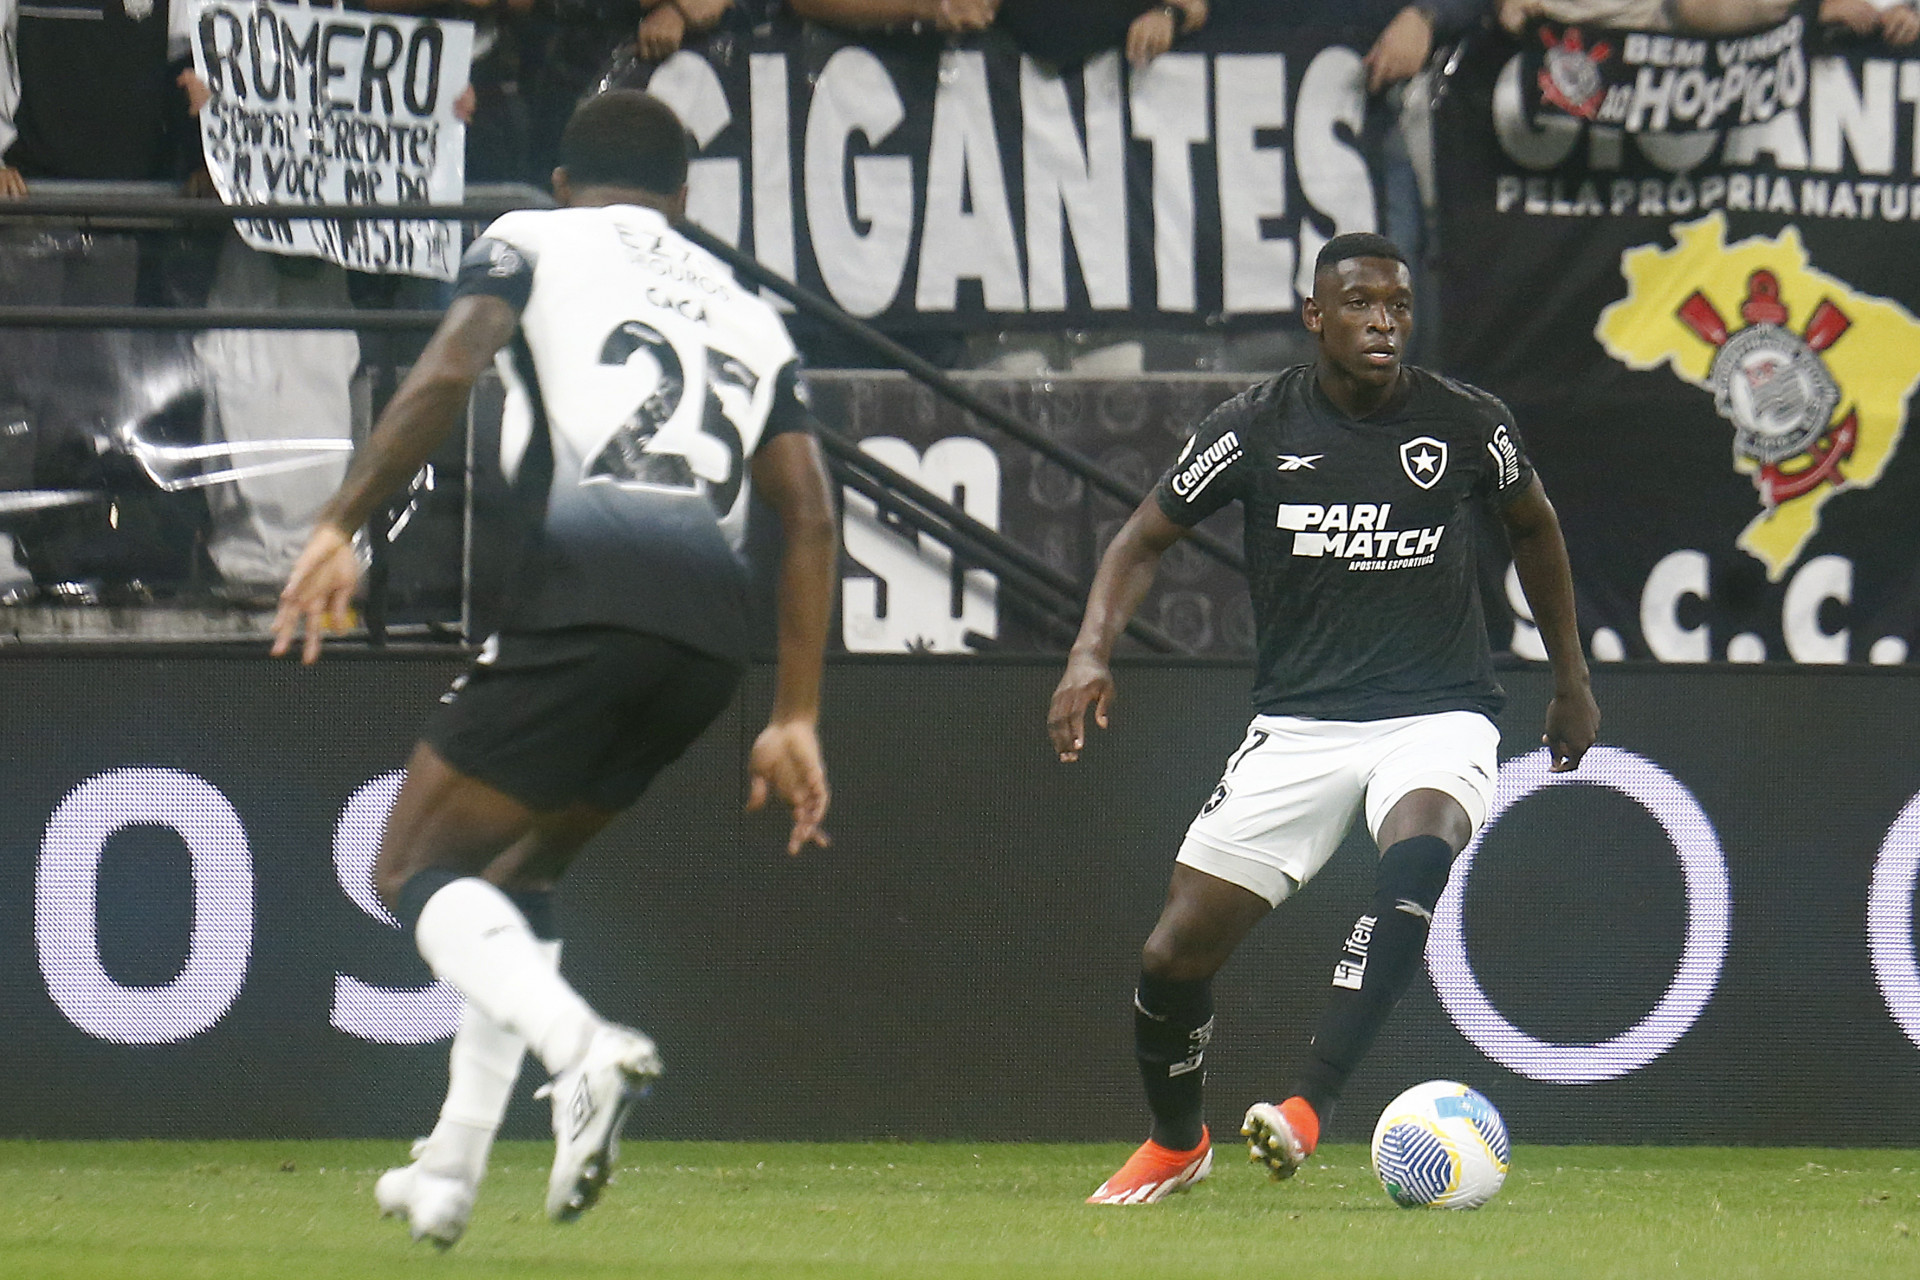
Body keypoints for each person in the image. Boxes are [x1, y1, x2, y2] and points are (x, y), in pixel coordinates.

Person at [271, 89, 838, 1245]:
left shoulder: (532, 236)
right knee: (519, 875)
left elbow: (446, 371)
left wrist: (340, 522)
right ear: (685, 197)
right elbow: (812, 514)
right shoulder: (749, 307)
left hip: (585, 604)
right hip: (706, 646)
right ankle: (451, 1167)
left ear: (564, 181)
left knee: (411, 867)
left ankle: (582, 1050)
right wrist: (794, 713)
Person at [1048, 231, 1598, 1205]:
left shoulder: (1468, 423)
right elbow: (1142, 539)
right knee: (1172, 954)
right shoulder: (1254, 426)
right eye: (1359, 304)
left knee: (1416, 857)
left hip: (1439, 710)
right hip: (1300, 726)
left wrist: (1571, 678)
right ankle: (1177, 1142)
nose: (1383, 323)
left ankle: (1308, 1105)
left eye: (1398, 305)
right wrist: (1091, 650)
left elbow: (1536, 525)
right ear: (1315, 315)